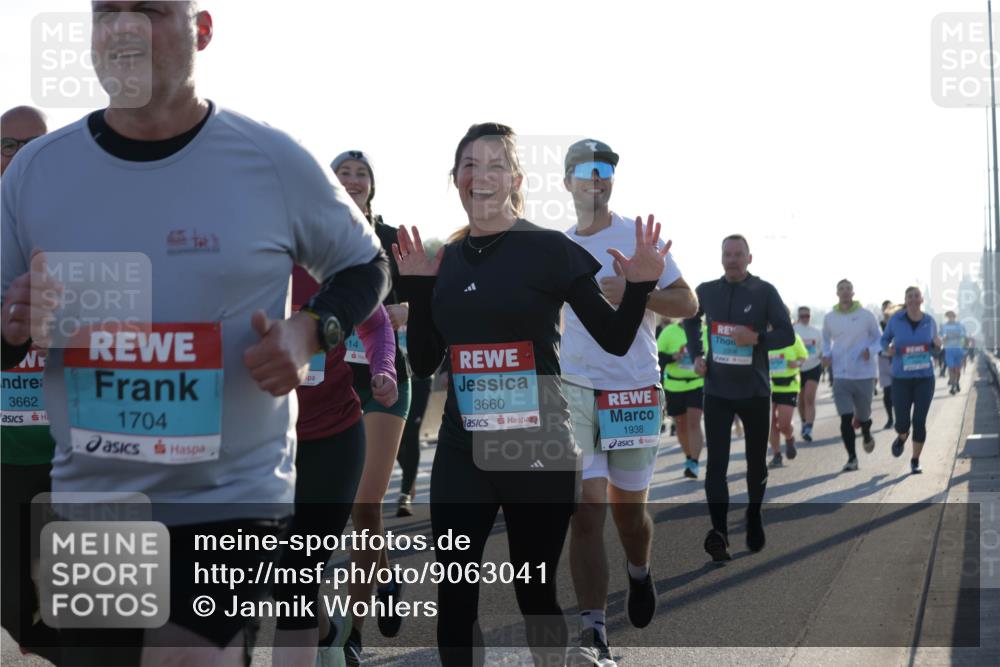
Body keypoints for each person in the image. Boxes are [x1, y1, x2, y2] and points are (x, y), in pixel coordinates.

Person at [0, 4, 388, 665]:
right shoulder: (36, 172)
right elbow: (5, 323)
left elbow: (365, 263)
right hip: (96, 497)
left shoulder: (271, 159)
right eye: (106, 12)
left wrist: (308, 331)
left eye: (148, 9)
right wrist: (12, 327)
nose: (123, 26)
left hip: (229, 494)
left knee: (187, 657)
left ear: (201, 30)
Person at [394, 122, 670, 667]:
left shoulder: (550, 250)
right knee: (454, 597)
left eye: (496, 164)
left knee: (534, 595)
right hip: (462, 449)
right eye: (470, 163)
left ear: (515, 179)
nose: (482, 174)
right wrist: (420, 292)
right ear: (455, 178)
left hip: (537, 448)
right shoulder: (443, 261)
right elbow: (425, 362)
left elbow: (615, 340)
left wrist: (638, 285)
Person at [557, 138, 697, 664]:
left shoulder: (637, 238)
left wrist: (635, 292)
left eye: (606, 171)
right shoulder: (558, 247)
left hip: (634, 389)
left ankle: (639, 572)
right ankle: (594, 632)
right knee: (585, 512)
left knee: (628, 515)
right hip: (575, 391)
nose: (597, 179)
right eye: (586, 171)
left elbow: (687, 302)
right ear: (568, 181)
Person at [273, 273, 396, 667]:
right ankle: (328, 634)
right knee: (283, 577)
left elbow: (375, 324)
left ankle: (325, 641)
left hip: (333, 438)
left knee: (297, 570)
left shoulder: (330, 259)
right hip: (263, 444)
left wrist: (385, 368)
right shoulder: (239, 253)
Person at [331, 150, 412, 659]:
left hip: (382, 379)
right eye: (344, 173)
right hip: (326, 380)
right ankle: (384, 572)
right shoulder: (313, 234)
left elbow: (416, 302)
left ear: (372, 187)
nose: (354, 180)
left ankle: (352, 635)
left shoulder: (393, 240)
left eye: (362, 174)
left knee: (366, 502)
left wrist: (393, 310)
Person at [684, 235, 794, 562]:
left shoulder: (764, 291)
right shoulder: (706, 291)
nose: (732, 259)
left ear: (749, 258)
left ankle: (754, 514)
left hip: (755, 393)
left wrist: (756, 338)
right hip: (717, 392)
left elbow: (786, 333)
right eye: (727, 254)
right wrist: (697, 355)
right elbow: (690, 318)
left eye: (738, 254)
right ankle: (719, 533)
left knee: (755, 463)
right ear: (721, 258)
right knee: (715, 465)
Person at [0, 104, 59, 663]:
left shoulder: (85, 226)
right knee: (17, 605)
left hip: (78, 448)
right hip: (6, 454)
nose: (21, 156)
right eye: (9, 145)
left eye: (35, 143)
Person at [821, 280, 881, 471]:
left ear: (853, 292)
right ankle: (852, 458)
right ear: (836, 293)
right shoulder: (830, 317)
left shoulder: (865, 315)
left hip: (864, 374)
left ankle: (866, 431)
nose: (845, 292)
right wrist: (826, 355)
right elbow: (825, 340)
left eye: (848, 289)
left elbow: (880, 339)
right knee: (845, 418)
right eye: (841, 289)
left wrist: (870, 351)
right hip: (840, 375)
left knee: (863, 415)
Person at [881, 287, 941, 474]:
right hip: (901, 378)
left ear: (922, 299)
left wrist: (938, 345)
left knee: (919, 420)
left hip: (925, 378)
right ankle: (901, 436)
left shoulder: (929, 321)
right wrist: (888, 349)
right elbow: (883, 341)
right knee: (902, 422)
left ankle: (915, 460)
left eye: (917, 296)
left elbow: (935, 349)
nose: (914, 300)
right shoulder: (896, 320)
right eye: (910, 297)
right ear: (905, 300)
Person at [658, 319, 708, 479]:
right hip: (674, 385)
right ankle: (688, 457)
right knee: (681, 425)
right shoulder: (668, 331)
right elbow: (656, 356)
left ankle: (694, 462)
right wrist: (672, 357)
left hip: (697, 383)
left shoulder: (705, 331)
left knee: (694, 422)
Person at [767, 325, 808, 467]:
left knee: (783, 424)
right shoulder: (764, 338)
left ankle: (789, 437)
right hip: (769, 385)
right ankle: (776, 455)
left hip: (788, 386)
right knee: (770, 422)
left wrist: (795, 363)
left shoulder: (793, 338)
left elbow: (803, 357)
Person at [793, 306, 823, 442]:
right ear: (798, 317)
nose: (805, 318)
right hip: (797, 368)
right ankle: (804, 422)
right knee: (801, 400)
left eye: (807, 316)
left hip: (813, 366)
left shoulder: (816, 332)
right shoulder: (793, 331)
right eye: (802, 316)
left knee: (809, 398)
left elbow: (822, 350)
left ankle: (809, 428)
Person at [878, 301, 899, 429]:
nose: (887, 311)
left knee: (897, 391)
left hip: (898, 360)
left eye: (889, 308)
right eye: (884, 309)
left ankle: (899, 417)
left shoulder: (899, 323)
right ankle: (890, 418)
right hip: (884, 360)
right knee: (887, 392)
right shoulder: (879, 325)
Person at [940, 311, 967, 394]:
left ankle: (957, 383)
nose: (950, 318)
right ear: (947, 317)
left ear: (955, 317)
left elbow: (963, 336)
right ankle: (953, 386)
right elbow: (942, 336)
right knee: (951, 368)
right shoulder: (944, 326)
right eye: (948, 316)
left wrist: (963, 347)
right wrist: (944, 339)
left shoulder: (960, 325)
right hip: (949, 350)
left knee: (958, 370)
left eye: (952, 316)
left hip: (958, 349)